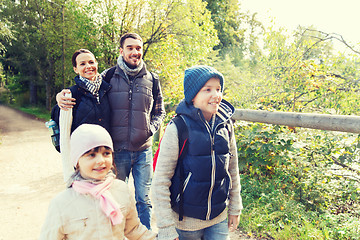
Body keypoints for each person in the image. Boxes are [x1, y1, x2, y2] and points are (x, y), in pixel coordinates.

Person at [56, 33, 166, 229]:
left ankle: (145, 234)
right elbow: (83, 88)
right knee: (114, 198)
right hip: (118, 151)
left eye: (138, 48)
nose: (135, 52)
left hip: (143, 152)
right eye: (130, 48)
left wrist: (150, 130)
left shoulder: (152, 79)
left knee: (144, 200)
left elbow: (159, 111)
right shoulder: (107, 77)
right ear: (121, 51)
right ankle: (115, 234)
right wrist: (59, 98)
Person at [151, 65, 243, 240]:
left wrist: (235, 207)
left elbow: (232, 170)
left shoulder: (226, 125)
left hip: (219, 218)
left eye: (218, 89)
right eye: (207, 89)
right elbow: (161, 181)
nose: (216, 95)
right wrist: (166, 228)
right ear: (193, 96)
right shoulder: (178, 127)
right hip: (186, 222)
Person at [38, 124, 157, 240]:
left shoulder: (121, 190)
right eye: (91, 155)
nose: (101, 160)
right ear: (77, 161)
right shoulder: (62, 204)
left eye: (106, 153)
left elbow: (134, 230)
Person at [51, 48, 111, 134]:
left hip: (107, 146)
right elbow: (63, 133)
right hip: (81, 147)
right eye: (82, 64)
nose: (88, 66)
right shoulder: (70, 95)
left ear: (96, 64)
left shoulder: (107, 88)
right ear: (76, 69)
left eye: (91, 62)